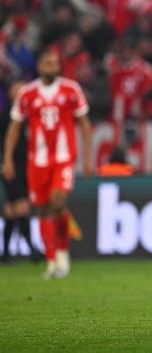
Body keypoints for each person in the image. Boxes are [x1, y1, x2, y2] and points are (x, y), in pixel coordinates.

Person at [3, 51, 92, 279]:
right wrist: (8, 158)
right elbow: (14, 128)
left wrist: (88, 157)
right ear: (39, 66)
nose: (51, 67)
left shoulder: (71, 89)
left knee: (58, 202)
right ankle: (51, 261)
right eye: (47, 63)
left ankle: (62, 254)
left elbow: (84, 123)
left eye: (54, 63)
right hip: (37, 161)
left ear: (59, 67)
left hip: (63, 158)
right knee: (44, 210)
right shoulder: (27, 93)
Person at [0, 81, 40, 264]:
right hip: (11, 166)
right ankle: (32, 250)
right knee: (22, 206)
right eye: (18, 91)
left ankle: (5, 253)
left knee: (11, 210)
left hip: (26, 166)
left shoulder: (31, 114)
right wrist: (5, 162)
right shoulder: (6, 116)